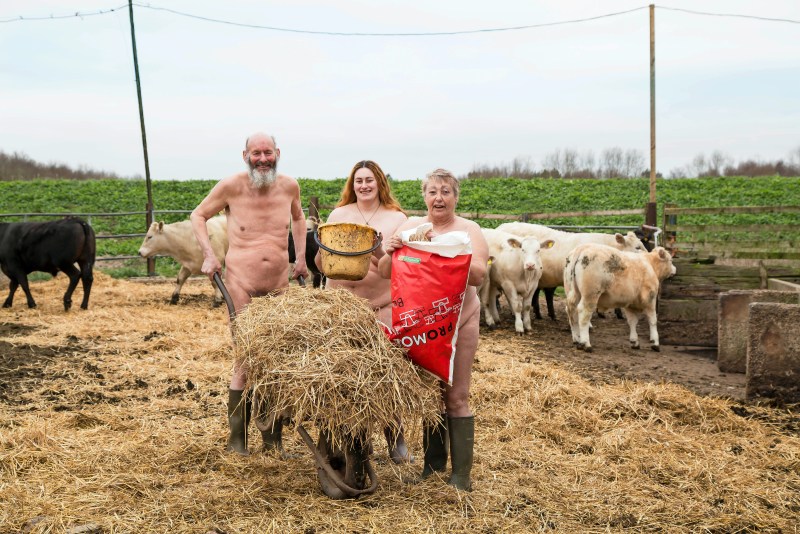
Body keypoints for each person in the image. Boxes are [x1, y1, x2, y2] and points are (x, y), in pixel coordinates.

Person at [191, 132, 308, 456]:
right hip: (240, 283)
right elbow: (198, 215)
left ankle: (272, 440)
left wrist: (299, 259)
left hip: (278, 287)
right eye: (256, 153)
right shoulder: (231, 186)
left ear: (277, 153)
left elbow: (298, 219)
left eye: (267, 152)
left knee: (275, 361)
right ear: (245, 155)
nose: (262, 159)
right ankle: (238, 439)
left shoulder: (289, 186)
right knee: (244, 360)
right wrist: (209, 255)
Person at [377, 168, 489, 491]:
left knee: (456, 395)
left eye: (446, 192)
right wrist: (394, 248)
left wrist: (443, 248)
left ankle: (460, 477)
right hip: (422, 325)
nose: (439, 198)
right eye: (432, 192)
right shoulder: (411, 225)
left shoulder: (469, 229)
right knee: (431, 396)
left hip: (460, 320)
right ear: (424, 196)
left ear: (456, 197)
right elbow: (386, 271)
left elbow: (479, 274)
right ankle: (433, 466)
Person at [314, 159, 414, 464]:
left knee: (386, 372)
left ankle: (395, 438)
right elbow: (320, 264)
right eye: (359, 181)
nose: (364, 185)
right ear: (352, 184)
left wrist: (377, 250)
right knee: (343, 376)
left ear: (379, 182)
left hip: (380, 306)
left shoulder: (397, 219)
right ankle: (354, 441)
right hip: (340, 305)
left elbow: (398, 269)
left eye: (369, 180)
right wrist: (324, 252)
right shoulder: (338, 215)